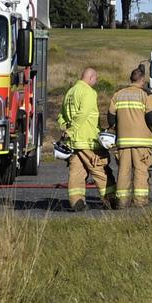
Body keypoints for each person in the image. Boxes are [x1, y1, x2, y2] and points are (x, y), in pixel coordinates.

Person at [58, 67, 114, 211]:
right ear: (90, 77)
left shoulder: (70, 92)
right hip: (88, 140)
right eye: (95, 79)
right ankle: (111, 199)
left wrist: (65, 129)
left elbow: (61, 116)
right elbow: (83, 114)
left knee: (77, 173)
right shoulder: (88, 92)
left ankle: (77, 201)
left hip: (74, 143)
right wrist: (72, 129)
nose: (95, 82)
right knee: (100, 169)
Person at [109, 66, 152, 208]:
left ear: (131, 79)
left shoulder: (118, 94)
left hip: (123, 142)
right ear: (142, 80)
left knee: (123, 172)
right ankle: (140, 201)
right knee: (141, 171)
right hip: (142, 142)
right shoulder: (146, 95)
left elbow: (111, 119)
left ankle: (122, 202)